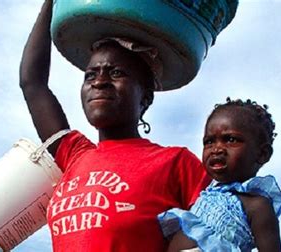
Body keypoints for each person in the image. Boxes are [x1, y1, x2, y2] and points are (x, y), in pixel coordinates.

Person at [19, 0, 209, 251]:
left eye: (116, 73)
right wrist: (51, 3)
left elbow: (222, 227)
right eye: (91, 75)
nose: (99, 82)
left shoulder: (176, 163)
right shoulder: (74, 155)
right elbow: (32, 83)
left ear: (145, 97)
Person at [158, 98, 281, 252]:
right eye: (209, 142)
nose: (216, 149)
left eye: (230, 140)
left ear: (262, 154)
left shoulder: (257, 206)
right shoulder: (206, 194)